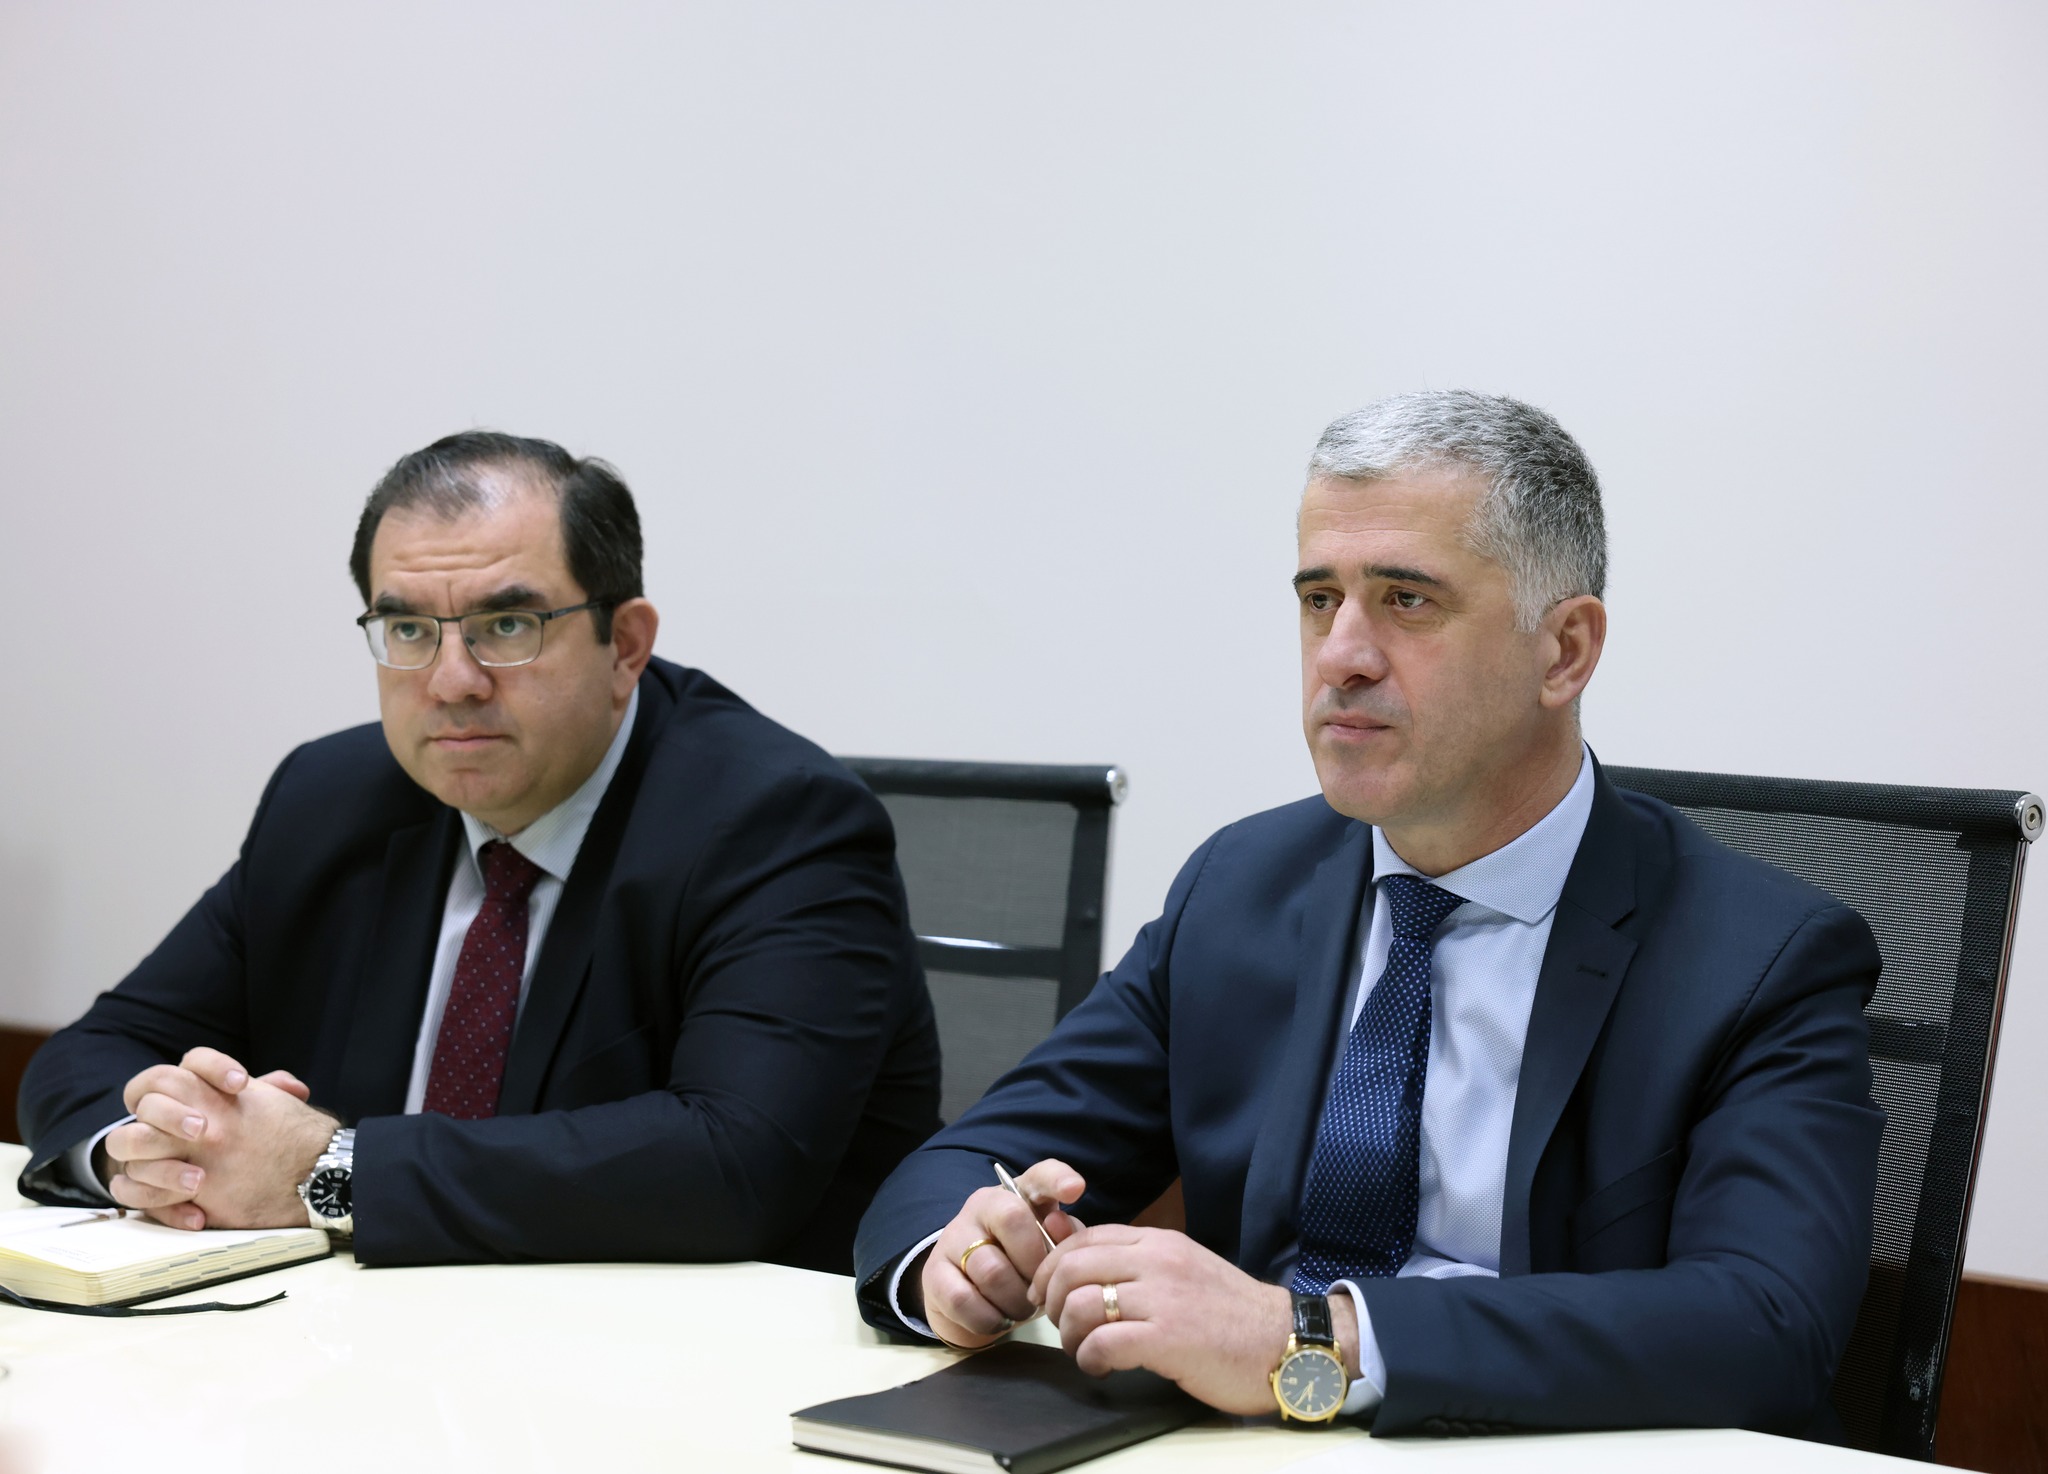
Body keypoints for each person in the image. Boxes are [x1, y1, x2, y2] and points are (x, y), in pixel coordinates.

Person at [853, 391, 1881, 1438]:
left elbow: (1766, 1324)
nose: (1340, 654)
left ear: (1563, 651)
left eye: (1406, 600)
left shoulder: (1760, 960)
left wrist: (1315, 1338)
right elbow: (962, 1165)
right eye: (1318, 598)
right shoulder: (1242, 887)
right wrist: (959, 1260)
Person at [20, 431, 941, 1273]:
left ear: (624, 645)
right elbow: (96, 1052)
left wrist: (328, 1174)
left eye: (507, 626)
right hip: (353, 1336)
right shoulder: (328, 798)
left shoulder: (777, 821)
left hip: (688, 1356)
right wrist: (151, 1155)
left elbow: (734, 1162)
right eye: (408, 630)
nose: (451, 683)